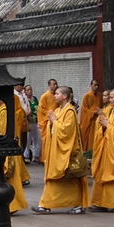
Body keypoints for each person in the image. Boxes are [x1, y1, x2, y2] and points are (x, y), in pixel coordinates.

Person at [32, 86, 89, 214]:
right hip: (57, 151)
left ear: (65, 96)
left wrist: (54, 121)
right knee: (53, 178)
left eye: (57, 93)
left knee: (71, 178)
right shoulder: (58, 110)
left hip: (67, 151)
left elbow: (66, 132)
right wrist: (51, 123)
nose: (54, 96)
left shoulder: (70, 111)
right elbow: (52, 128)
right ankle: (46, 204)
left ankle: (78, 204)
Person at [0, 100, 27, 214]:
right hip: (6, 147)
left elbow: (1, 131)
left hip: (5, 148)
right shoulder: (1, 109)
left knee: (10, 178)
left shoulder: (4, 110)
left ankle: (12, 205)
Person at [37, 79, 58, 163]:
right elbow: (41, 109)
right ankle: (45, 158)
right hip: (47, 120)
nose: (55, 86)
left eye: (56, 84)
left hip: (56, 120)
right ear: (49, 85)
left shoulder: (57, 96)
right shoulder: (44, 96)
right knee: (46, 139)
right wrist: (49, 114)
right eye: (54, 84)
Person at [80, 80, 102, 153]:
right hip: (90, 120)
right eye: (95, 85)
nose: (96, 87)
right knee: (90, 137)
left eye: (97, 85)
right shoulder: (87, 96)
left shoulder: (100, 96)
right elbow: (84, 109)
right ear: (91, 85)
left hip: (98, 119)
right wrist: (93, 112)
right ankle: (89, 152)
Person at [23, 84, 40, 163]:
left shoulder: (35, 99)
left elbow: (38, 108)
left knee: (37, 139)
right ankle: (26, 155)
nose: (30, 91)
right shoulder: (25, 100)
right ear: (25, 91)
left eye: (30, 89)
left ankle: (36, 155)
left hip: (36, 120)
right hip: (28, 121)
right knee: (28, 139)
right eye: (28, 90)